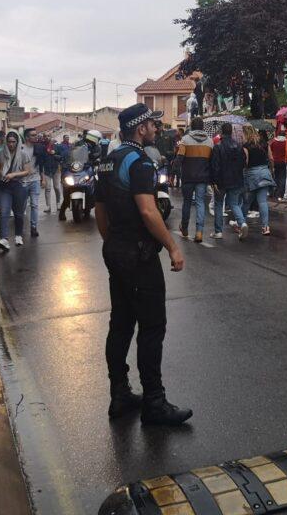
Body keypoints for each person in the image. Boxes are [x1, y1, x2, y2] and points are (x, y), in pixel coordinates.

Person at [95, 104, 190, 425]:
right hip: (138, 255)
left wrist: (113, 242)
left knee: (120, 324)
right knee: (152, 327)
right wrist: (173, 247)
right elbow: (149, 212)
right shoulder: (140, 161)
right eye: (152, 124)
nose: (156, 129)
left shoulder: (107, 161)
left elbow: (100, 211)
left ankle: (120, 394)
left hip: (116, 251)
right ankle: (154, 402)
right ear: (140, 128)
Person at [175, 117, 213, 243]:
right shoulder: (210, 142)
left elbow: (180, 158)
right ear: (202, 127)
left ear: (191, 126)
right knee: (200, 202)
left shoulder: (185, 140)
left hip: (188, 177)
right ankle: (199, 232)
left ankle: (185, 228)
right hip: (203, 177)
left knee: (187, 202)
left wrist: (174, 170)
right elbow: (211, 161)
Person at [210, 123, 248, 240]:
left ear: (222, 132)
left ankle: (218, 232)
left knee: (218, 204)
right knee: (234, 204)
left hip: (221, 181)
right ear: (231, 132)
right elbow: (243, 163)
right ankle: (242, 223)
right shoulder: (239, 146)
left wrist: (214, 181)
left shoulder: (218, 146)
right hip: (236, 180)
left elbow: (215, 166)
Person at [0, 131, 31, 251]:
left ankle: (18, 235)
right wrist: (2, 173)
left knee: (18, 213)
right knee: (4, 212)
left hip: (18, 185)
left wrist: (14, 174)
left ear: (17, 142)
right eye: (9, 142)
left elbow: (27, 171)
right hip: (4, 186)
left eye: (13, 142)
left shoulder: (23, 154)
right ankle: (4, 239)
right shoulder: (1, 153)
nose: (11, 144)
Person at [243, 126, 274, 237]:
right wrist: (271, 170)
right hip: (265, 172)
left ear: (246, 134)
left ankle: (241, 223)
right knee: (263, 202)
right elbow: (271, 158)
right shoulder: (265, 144)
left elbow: (246, 163)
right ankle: (265, 227)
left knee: (247, 201)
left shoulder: (246, 146)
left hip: (252, 175)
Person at [21, 129, 43, 237]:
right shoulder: (20, 148)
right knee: (22, 205)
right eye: (33, 135)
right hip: (22, 180)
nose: (36, 137)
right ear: (27, 137)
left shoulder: (38, 148)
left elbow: (41, 164)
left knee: (34, 205)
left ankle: (33, 227)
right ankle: (19, 227)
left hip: (35, 179)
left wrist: (43, 178)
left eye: (36, 135)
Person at [41, 133, 64, 214]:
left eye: (48, 136)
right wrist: (42, 173)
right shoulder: (42, 148)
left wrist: (55, 154)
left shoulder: (57, 147)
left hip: (56, 170)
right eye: (45, 136)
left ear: (51, 137)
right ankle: (48, 206)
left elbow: (61, 157)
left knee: (56, 187)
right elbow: (41, 160)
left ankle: (58, 203)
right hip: (46, 170)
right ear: (43, 138)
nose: (47, 137)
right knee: (47, 188)